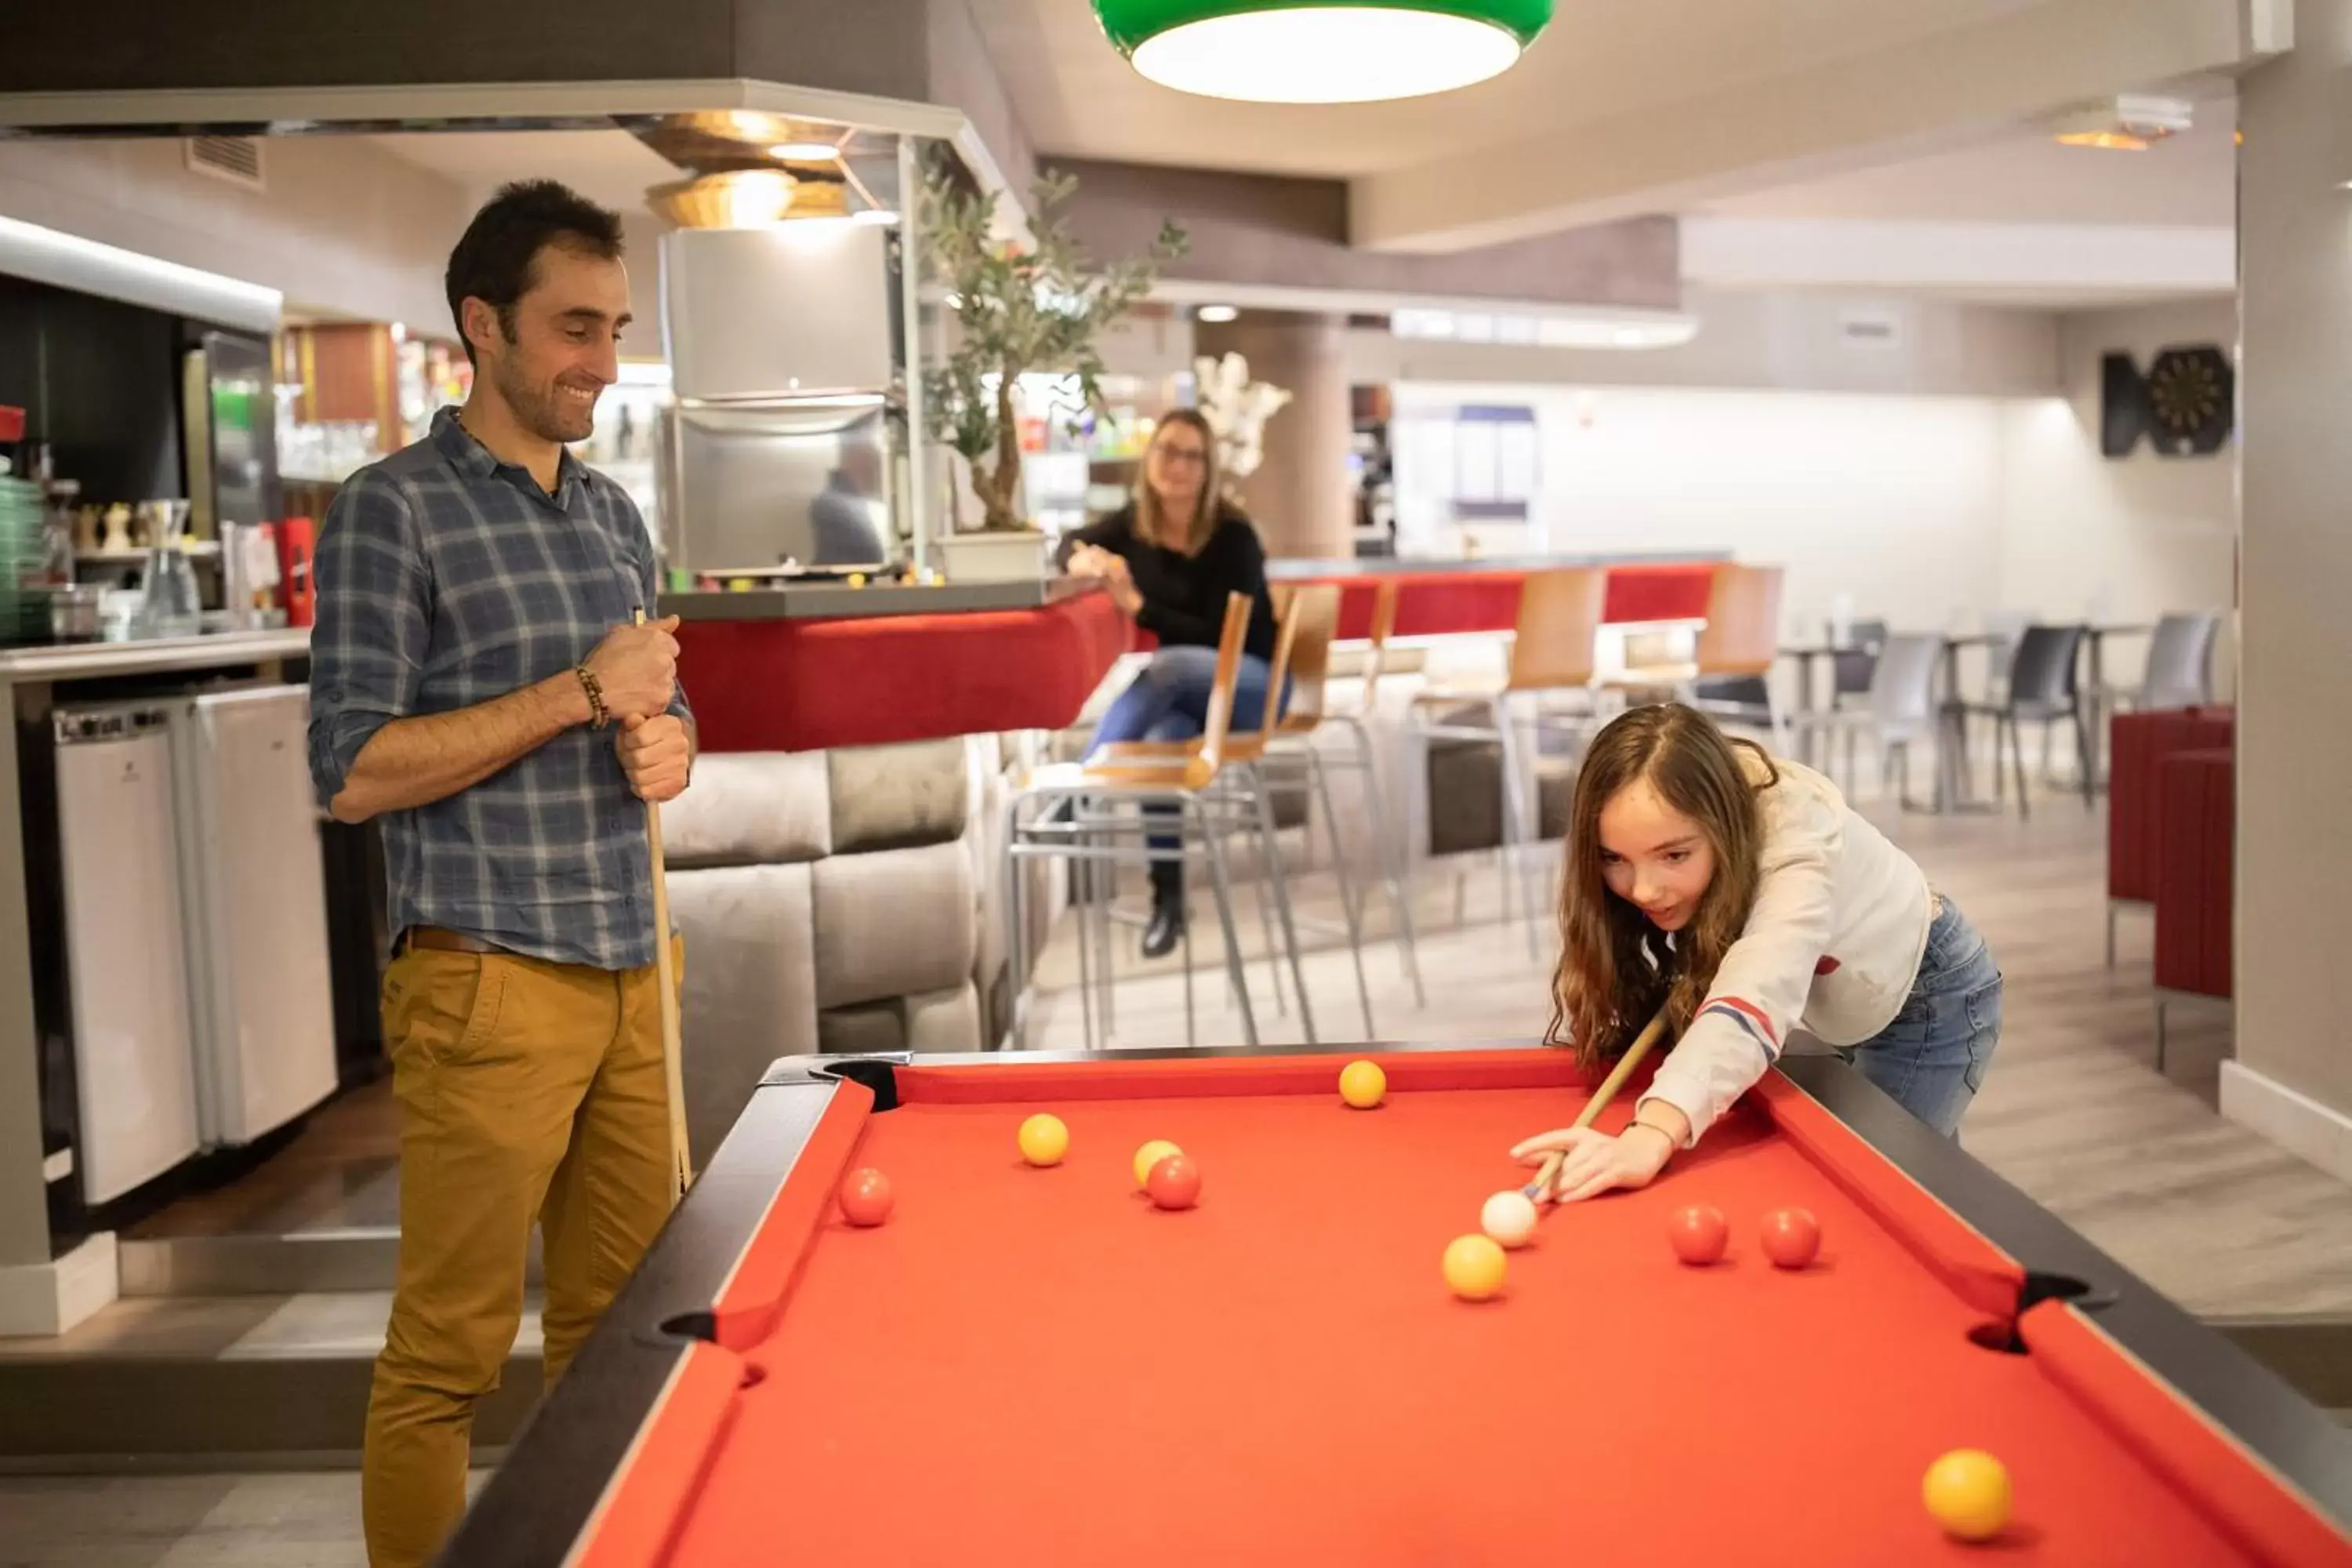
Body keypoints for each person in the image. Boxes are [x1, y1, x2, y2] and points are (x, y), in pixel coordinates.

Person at [306, 179, 696, 1568]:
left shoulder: (613, 516)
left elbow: (659, 704)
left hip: (633, 967)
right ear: (483, 325)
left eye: (615, 326)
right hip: (486, 981)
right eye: (573, 326)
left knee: (616, 1341)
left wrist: (672, 746)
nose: (601, 358)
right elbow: (350, 769)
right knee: (447, 1360)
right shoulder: (388, 513)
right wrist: (576, 696)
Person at [1514, 702, 2001, 1204]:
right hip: (1851, 988)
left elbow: (1760, 986)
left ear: (1720, 823)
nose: (1643, 891)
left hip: (1934, 996)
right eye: (1614, 859)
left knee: (1889, 1193)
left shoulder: (1798, 838)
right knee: (1926, 1177)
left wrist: (1650, 1135)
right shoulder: (1699, 817)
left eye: (1674, 855)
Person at [1056, 408, 1281, 958]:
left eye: (1190, 455)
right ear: (1149, 458)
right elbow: (1068, 541)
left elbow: (1218, 639)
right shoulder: (1134, 524)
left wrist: (1138, 605)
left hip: (1253, 685)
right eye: (1166, 451)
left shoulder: (1234, 536)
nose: (1176, 465)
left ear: (1208, 469)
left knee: (1167, 665)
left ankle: (1078, 794)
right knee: (1159, 745)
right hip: (1191, 693)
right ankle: (1169, 902)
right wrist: (1087, 559)